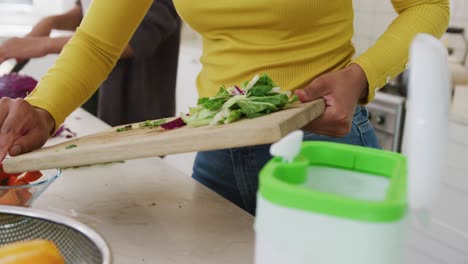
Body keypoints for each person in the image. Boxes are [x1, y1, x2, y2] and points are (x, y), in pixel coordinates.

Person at [0, 0, 449, 215]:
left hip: (324, 147)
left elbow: (428, 7)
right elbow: (98, 41)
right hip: (219, 152)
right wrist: (43, 110)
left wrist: (361, 75)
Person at [0, 0, 180, 126]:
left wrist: (44, 45)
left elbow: (136, 39)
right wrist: (51, 22)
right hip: (93, 90)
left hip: (137, 103)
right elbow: (92, 13)